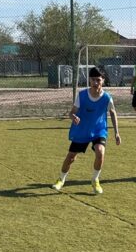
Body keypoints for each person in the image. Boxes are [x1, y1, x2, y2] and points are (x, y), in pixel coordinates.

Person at [51, 66, 121, 195]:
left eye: (98, 80)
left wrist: (117, 132)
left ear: (103, 80)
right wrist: (73, 117)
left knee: (100, 152)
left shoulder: (107, 97)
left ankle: (95, 180)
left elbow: (112, 112)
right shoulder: (82, 95)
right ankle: (61, 179)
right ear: (89, 80)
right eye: (93, 80)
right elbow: (71, 112)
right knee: (71, 157)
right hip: (82, 130)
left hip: (99, 130)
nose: (95, 83)